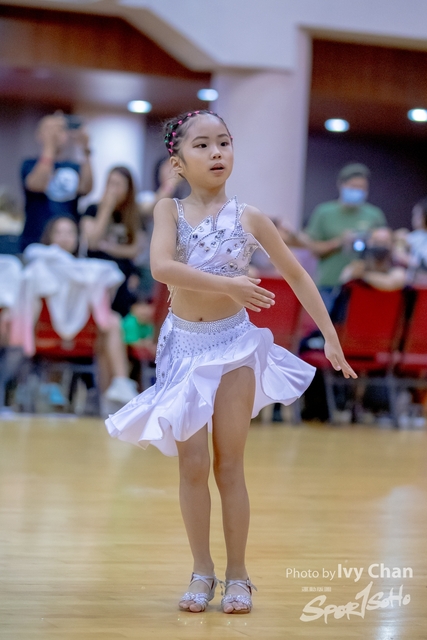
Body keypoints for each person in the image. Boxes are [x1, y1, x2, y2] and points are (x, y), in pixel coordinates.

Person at [105, 110, 356, 615]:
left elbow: (299, 276)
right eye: (202, 145)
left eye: (223, 142)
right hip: (183, 346)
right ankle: (202, 570)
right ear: (178, 162)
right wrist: (229, 285)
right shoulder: (167, 211)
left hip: (235, 345)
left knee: (229, 464)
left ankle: (238, 573)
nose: (217, 152)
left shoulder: (249, 216)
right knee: (192, 465)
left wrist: (330, 336)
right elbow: (161, 267)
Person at [38, 216, 138, 405]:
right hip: (45, 333)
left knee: (112, 322)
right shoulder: (38, 264)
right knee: (112, 323)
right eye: (59, 232)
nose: (64, 237)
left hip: (84, 333)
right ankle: (116, 388)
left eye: (70, 232)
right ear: (49, 237)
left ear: (78, 238)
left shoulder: (91, 269)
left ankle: (117, 390)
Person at [301, 163, 386, 311]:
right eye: (353, 187)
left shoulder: (374, 214)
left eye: (362, 188)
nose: (358, 191)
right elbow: (313, 248)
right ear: (341, 185)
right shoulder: (324, 212)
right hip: (329, 284)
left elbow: (385, 249)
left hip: (363, 285)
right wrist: (341, 241)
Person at [20, 112, 93, 250]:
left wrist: (85, 149)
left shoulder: (73, 166)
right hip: (35, 241)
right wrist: (49, 146)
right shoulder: (29, 164)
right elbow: (37, 184)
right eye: (50, 129)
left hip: (69, 243)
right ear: (39, 135)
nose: (56, 134)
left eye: (61, 130)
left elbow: (86, 188)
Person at [81, 166, 143, 317]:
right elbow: (92, 242)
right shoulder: (92, 209)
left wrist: (107, 247)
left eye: (118, 184)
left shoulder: (134, 215)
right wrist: (106, 210)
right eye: (110, 183)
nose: (113, 189)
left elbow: (135, 250)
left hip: (123, 274)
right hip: (96, 272)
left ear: (128, 189)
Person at [339, 227, 406, 291]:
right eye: (376, 241)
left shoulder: (397, 265)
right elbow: (343, 280)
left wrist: (364, 276)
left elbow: (393, 283)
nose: (380, 246)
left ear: (392, 244)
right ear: (369, 242)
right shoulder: (360, 265)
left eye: (384, 242)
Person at [394, 197, 427, 285]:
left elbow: (421, 264)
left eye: (417, 214)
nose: (414, 218)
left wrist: (404, 257)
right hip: (414, 284)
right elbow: (401, 237)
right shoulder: (419, 235)